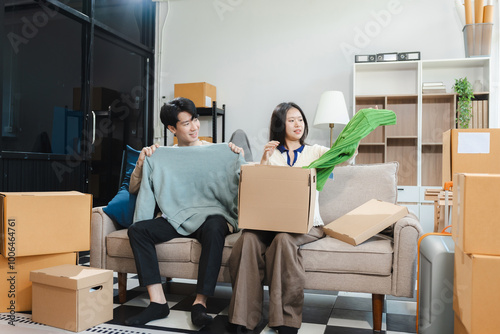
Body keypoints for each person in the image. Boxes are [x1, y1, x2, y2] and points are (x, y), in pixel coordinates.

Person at [228, 102, 355, 334]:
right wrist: (264, 160)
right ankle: (242, 318)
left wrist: (353, 138)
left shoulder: (315, 152)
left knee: (284, 240)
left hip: (306, 225)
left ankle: (285, 320)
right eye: (291, 120)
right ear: (280, 125)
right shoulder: (271, 155)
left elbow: (345, 157)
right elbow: (258, 192)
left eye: (300, 119)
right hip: (270, 223)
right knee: (246, 240)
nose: (298, 124)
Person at [124, 97, 244, 327]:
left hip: (210, 216)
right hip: (175, 216)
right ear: (172, 128)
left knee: (216, 225)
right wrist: (141, 163)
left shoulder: (218, 151)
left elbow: (245, 179)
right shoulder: (161, 155)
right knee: (138, 230)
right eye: (186, 123)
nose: (195, 127)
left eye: (195, 120)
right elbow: (135, 188)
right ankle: (157, 302)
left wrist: (235, 157)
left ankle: (200, 303)